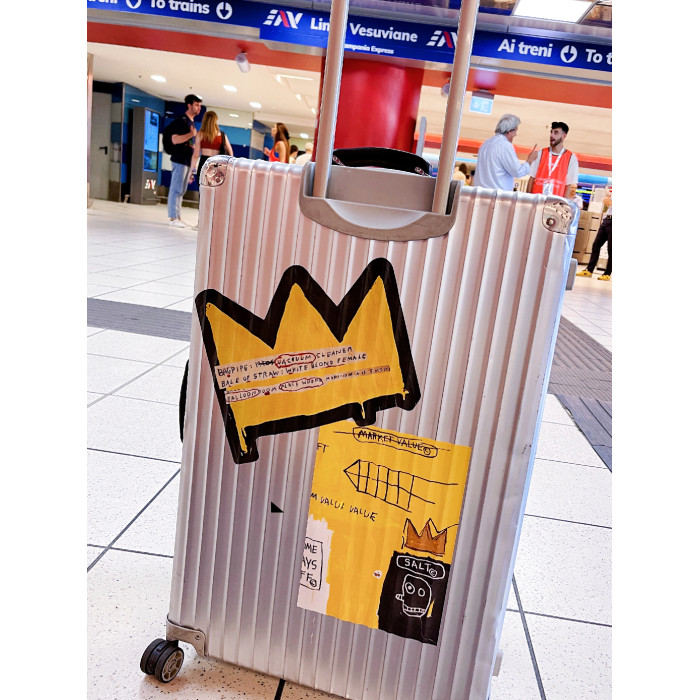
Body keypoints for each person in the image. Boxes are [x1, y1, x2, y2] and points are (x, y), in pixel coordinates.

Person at [473, 114, 538, 191]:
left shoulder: (485, 144)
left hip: (480, 193)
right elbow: (518, 172)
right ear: (510, 131)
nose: (515, 134)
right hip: (496, 195)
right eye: (516, 131)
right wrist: (530, 160)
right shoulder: (505, 145)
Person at [167, 93, 202, 228]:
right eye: (196, 105)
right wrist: (191, 134)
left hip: (187, 160)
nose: (199, 108)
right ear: (189, 105)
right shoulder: (181, 121)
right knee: (176, 189)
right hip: (179, 159)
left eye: (199, 105)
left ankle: (178, 216)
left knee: (181, 190)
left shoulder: (191, 122)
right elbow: (175, 139)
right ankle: (173, 217)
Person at [527, 121, 579, 200]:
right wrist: (528, 200)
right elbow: (531, 179)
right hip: (537, 201)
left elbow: (568, 186)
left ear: (564, 136)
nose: (552, 135)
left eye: (556, 133)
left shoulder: (571, 158)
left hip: (555, 204)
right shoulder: (540, 153)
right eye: (551, 132)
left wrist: (562, 204)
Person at [190, 110, 233, 183]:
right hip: (217, 165)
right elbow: (231, 154)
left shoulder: (200, 134)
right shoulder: (222, 136)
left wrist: (191, 171)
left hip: (204, 164)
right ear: (215, 121)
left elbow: (196, 155)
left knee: (203, 188)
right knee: (215, 188)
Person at [577, 196, 612, 281]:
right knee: (596, 245)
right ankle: (589, 270)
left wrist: (611, 203)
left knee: (611, 249)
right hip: (607, 220)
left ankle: (607, 273)